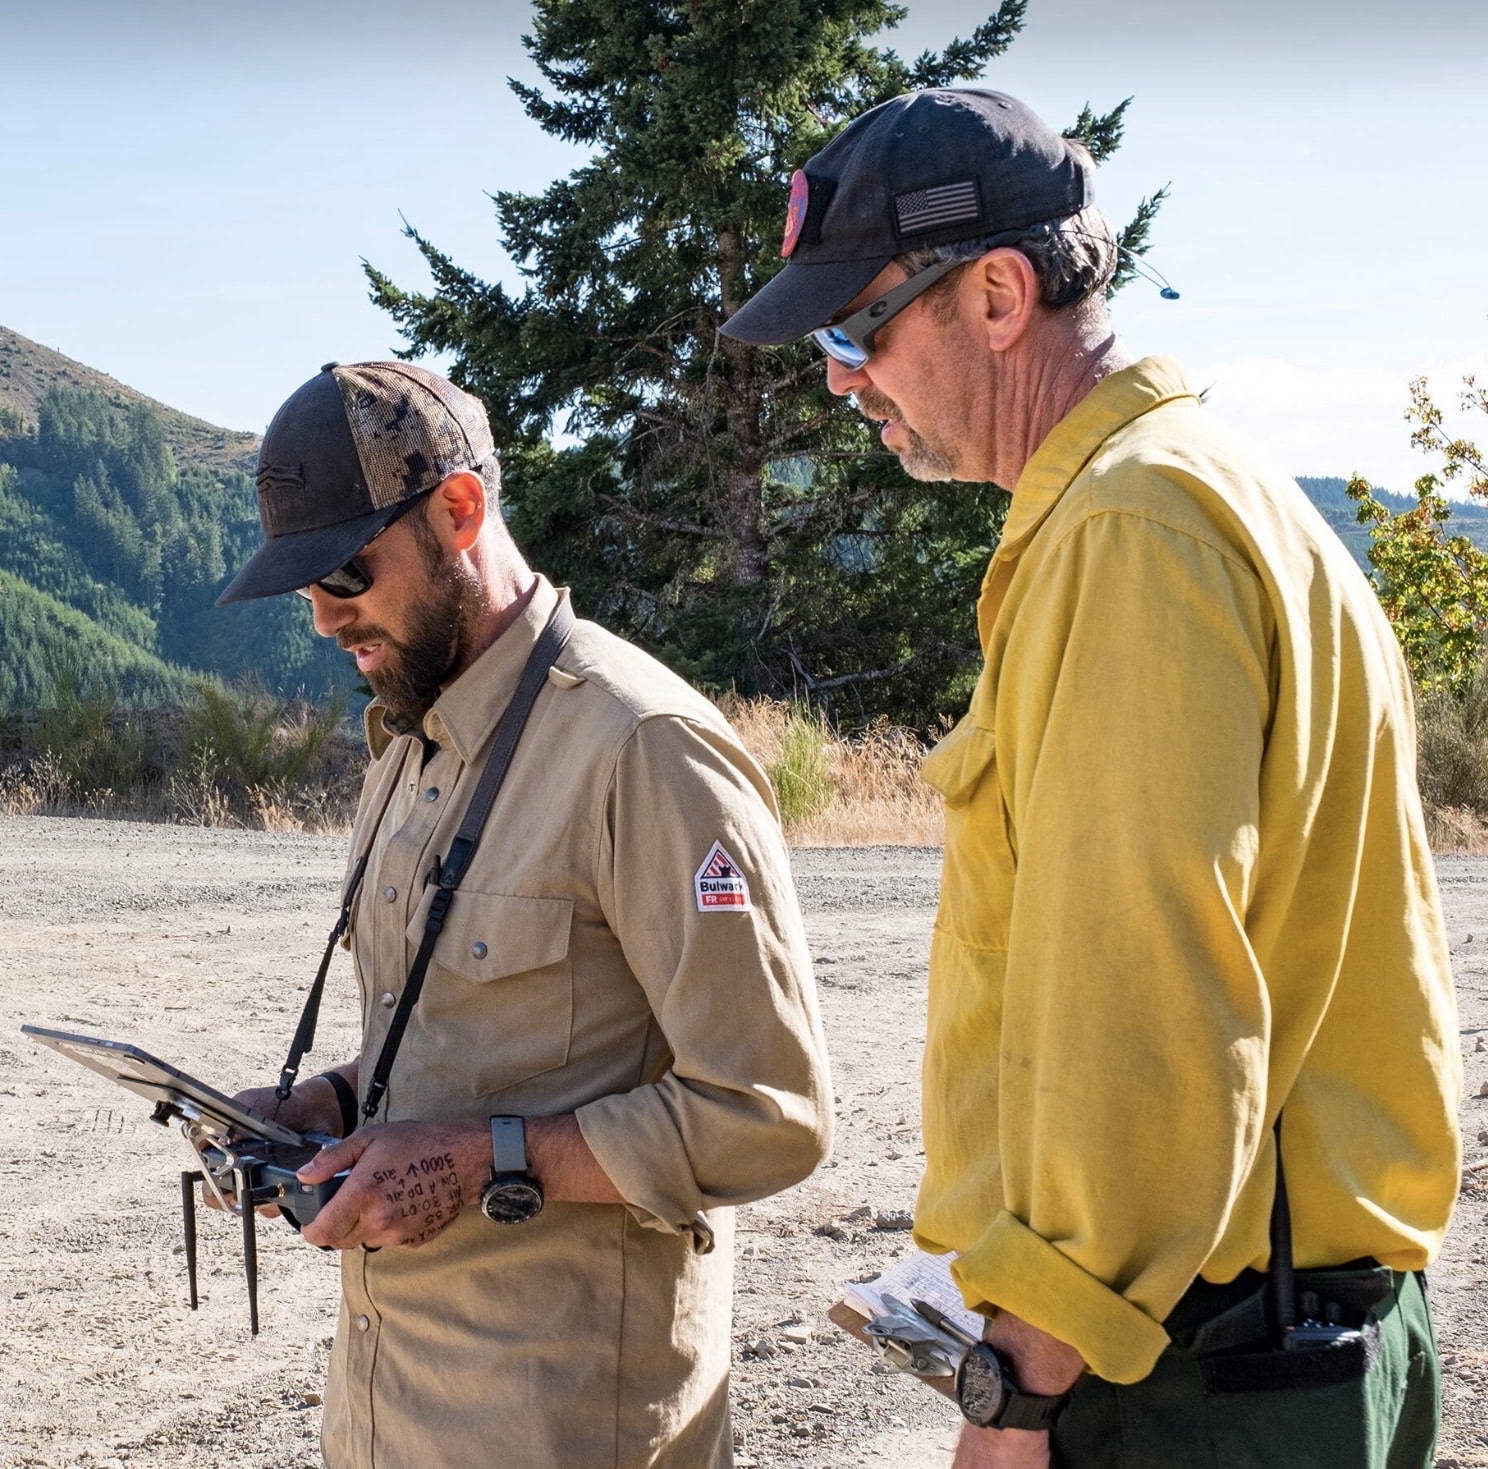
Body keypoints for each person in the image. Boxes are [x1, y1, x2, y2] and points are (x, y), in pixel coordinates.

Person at [721, 87, 1462, 1468]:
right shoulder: (1209, 489)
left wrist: (1022, 1382)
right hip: (1269, 1342)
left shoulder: (1129, 528)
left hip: (1198, 1375)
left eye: (855, 328)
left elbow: (1147, 1004)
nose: (839, 379)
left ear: (998, 295)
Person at [211, 359, 835, 1469]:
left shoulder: (643, 747)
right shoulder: (409, 745)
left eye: (345, 573)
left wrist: (481, 1162)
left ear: (460, 509)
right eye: (303, 587)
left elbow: (770, 1111)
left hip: (570, 1432)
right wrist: (320, 1106)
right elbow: (471, 1044)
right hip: (393, 1418)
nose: (324, 618)